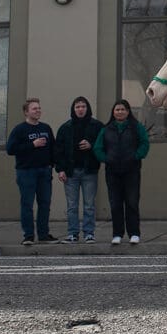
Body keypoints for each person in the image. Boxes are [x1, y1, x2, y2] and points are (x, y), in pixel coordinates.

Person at [94, 99, 150, 245]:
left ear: (128, 111)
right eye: (117, 110)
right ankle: (117, 234)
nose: (120, 112)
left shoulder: (135, 127)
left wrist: (136, 156)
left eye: (123, 109)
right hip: (112, 172)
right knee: (115, 203)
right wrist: (105, 159)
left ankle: (134, 233)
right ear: (113, 112)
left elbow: (144, 143)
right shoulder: (106, 129)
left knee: (132, 202)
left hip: (132, 170)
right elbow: (97, 148)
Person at [6, 97, 57, 245]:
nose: (38, 111)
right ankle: (28, 235)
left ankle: (43, 234)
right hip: (26, 172)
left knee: (45, 203)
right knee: (27, 204)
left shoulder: (46, 128)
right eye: (34, 109)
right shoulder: (19, 130)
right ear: (26, 112)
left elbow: (53, 148)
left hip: (44, 171)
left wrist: (53, 165)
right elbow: (10, 149)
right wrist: (32, 144)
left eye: (39, 108)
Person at [54, 96, 104, 244]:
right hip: (70, 172)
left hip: (90, 170)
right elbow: (58, 151)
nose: (80, 109)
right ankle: (72, 234)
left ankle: (89, 233)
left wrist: (91, 145)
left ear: (87, 108)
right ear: (73, 109)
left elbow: (104, 145)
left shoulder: (97, 126)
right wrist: (60, 170)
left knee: (89, 205)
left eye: (83, 106)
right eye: (77, 107)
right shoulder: (65, 128)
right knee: (72, 206)